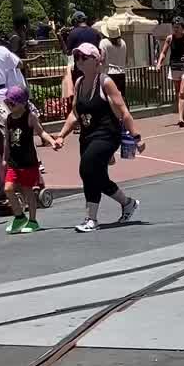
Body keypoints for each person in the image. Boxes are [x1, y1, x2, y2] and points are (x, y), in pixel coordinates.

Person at [57, 43, 144, 232]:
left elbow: (123, 111)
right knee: (97, 175)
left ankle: (91, 219)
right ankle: (127, 203)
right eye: (77, 57)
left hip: (107, 135)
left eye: (84, 57)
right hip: (87, 136)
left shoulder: (105, 82)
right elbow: (74, 114)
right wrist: (61, 135)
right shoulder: (79, 83)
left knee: (87, 169)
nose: (79, 60)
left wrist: (136, 137)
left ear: (96, 60)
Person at [3, 85, 61, 234]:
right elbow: (7, 140)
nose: (9, 105)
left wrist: (52, 141)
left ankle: (33, 220)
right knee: (8, 188)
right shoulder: (8, 119)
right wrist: (5, 158)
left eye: (12, 103)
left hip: (28, 161)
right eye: (7, 102)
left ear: (22, 103)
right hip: (14, 162)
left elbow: (41, 132)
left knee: (27, 191)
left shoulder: (30, 117)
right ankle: (19, 217)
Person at [158, 16, 184, 126]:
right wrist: (159, 63)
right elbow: (163, 52)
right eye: (174, 27)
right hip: (174, 67)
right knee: (178, 93)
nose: (176, 29)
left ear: (182, 27)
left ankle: (180, 119)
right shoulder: (169, 38)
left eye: (178, 27)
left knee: (182, 92)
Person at [99, 28, 129, 99]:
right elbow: (126, 60)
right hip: (121, 73)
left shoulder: (104, 42)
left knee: (109, 98)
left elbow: (102, 58)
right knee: (121, 97)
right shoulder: (123, 42)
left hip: (108, 73)